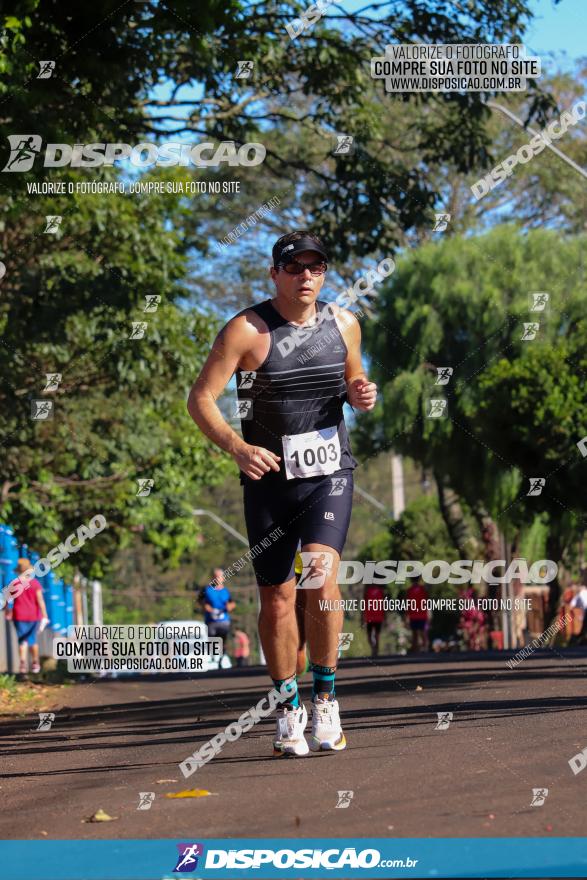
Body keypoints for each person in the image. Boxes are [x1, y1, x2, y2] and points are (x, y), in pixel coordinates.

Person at [187, 230, 377, 756]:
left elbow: (354, 382)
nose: (306, 276)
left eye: (316, 267)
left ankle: (327, 699)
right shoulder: (246, 330)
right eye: (295, 267)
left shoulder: (344, 323)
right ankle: (288, 707)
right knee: (276, 596)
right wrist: (236, 446)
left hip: (328, 474)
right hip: (267, 478)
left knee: (319, 573)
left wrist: (362, 393)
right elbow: (201, 398)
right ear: (275, 273)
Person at [4, 558, 49, 674]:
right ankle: (35, 662)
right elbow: (40, 601)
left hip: (19, 615)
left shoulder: (14, 583)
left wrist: (7, 611)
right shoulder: (35, 583)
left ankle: (23, 664)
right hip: (33, 616)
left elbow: (8, 600)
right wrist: (45, 615)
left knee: (22, 641)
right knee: (32, 640)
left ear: (18, 571)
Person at [200, 568, 235, 660]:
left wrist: (229, 607)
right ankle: (213, 657)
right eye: (215, 577)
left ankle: (221, 658)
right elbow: (200, 601)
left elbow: (232, 603)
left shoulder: (226, 591)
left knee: (223, 639)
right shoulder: (207, 590)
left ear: (223, 578)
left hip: (224, 620)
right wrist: (206, 607)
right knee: (212, 638)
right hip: (211, 620)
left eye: (219, 577)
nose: (217, 579)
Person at [406, 578, 429, 652]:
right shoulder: (423, 589)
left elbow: (408, 604)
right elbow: (426, 602)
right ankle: (424, 648)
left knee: (414, 634)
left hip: (413, 615)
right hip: (422, 614)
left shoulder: (409, 590)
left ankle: (416, 649)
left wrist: (407, 615)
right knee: (423, 632)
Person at [363, 583, 385, 658]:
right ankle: (373, 648)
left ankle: (376, 650)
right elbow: (364, 604)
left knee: (377, 635)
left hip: (379, 616)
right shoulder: (367, 591)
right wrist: (363, 616)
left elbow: (384, 604)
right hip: (369, 617)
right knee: (369, 636)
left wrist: (385, 615)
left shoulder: (381, 591)